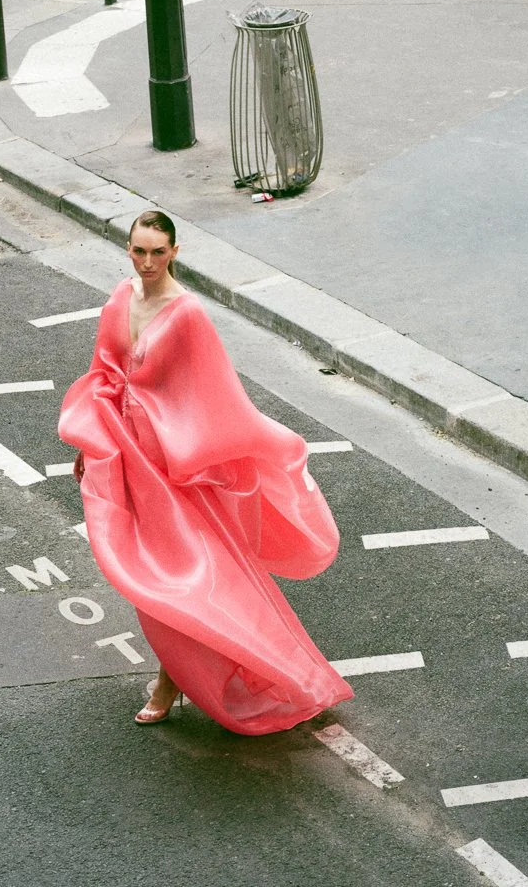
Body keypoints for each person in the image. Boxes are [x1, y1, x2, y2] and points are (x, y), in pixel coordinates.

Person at [59, 211, 353, 733]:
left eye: (157, 252)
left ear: (175, 252)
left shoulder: (188, 313)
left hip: (177, 467)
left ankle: (170, 682)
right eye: (138, 250)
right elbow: (103, 372)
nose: (147, 262)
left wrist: (214, 459)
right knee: (145, 572)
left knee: (181, 578)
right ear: (128, 249)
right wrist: (90, 442)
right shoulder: (121, 297)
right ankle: (174, 677)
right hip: (127, 456)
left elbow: (215, 395)